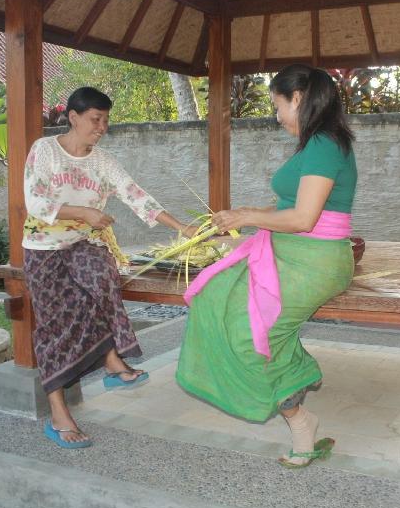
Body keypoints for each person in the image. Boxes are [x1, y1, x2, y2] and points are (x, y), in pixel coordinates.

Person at [176, 64, 357, 468]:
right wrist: (241, 222)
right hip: (288, 251)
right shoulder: (315, 144)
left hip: (313, 260)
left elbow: (303, 219)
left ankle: (299, 409)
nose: (277, 116)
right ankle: (300, 411)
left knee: (248, 335)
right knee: (214, 298)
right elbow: (289, 209)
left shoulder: (324, 144)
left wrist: (245, 217)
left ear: (298, 98)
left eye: (278, 106)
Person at [22, 87, 194, 448]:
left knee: (103, 277)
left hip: (83, 244)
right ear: (73, 117)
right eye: (95, 119)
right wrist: (84, 212)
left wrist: (181, 227)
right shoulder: (45, 150)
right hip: (43, 248)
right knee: (56, 324)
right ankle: (58, 412)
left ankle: (113, 360)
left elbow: (136, 195)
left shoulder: (103, 162)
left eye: (106, 120)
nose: (102, 127)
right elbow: (35, 203)